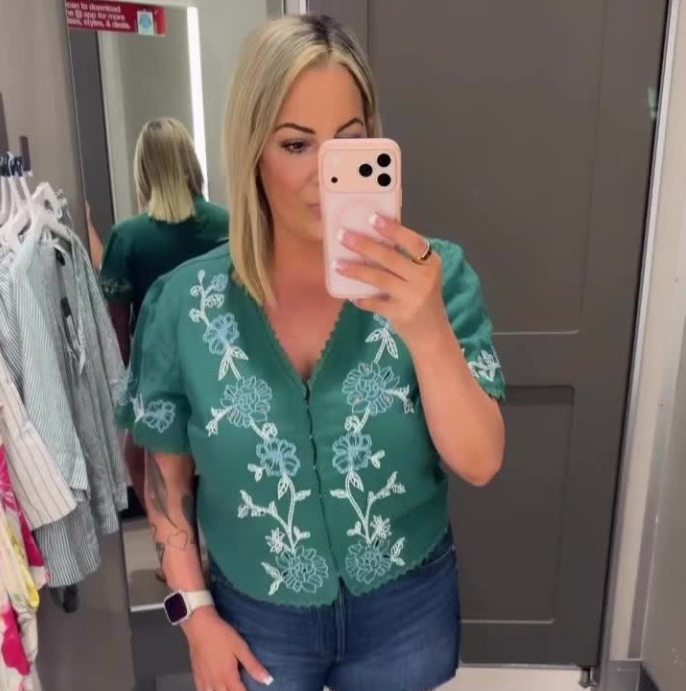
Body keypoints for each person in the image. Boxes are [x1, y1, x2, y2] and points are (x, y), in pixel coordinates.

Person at [117, 15, 505, 691]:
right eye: (297, 144)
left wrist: (426, 329)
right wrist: (194, 615)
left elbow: (480, 461)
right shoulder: (184, 305)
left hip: (406, 605)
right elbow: (164, 479)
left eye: (349, 145)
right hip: (255, 612)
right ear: (252, 151)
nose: (326, 175)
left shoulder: (434, 278)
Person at [100, 117, 228, 538]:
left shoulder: (127, 237)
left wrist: (123, 391)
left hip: (157, 371)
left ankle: (174, 543)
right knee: (218, 462)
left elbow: (117, 324)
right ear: (191, 163)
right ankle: (211, 545)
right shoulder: (227, 225)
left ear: (144, 171)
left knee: (139, 461)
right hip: (219, 364)